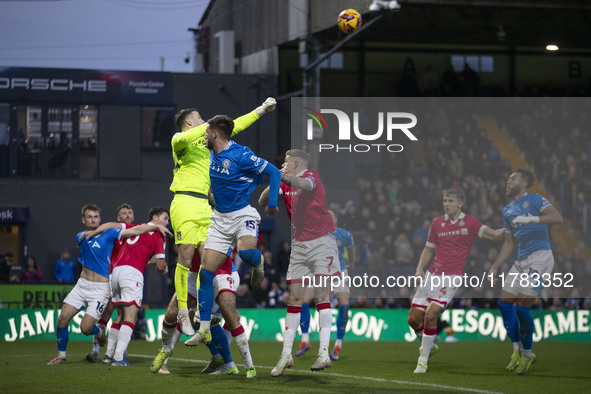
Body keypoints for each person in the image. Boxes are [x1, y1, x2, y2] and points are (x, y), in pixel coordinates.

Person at [183, 114, 281, 380]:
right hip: (219, 221)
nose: (203, 136)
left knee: (247, 254)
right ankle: (203, 328)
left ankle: (257, 262)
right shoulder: (210, 154)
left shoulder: (241, 154)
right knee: (205, 273)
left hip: (242, 215)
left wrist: (272, 202)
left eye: (206, 132)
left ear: (215, 133)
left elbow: (272, 171)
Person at [169, 98, 276, 336]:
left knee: (206, 260)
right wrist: (209, 125)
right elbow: (191, 136)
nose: (203, 121)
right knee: (185, 257)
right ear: (189, 121)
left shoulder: (209, 139)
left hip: (209, 207)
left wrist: (260, 110)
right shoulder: (180, 139)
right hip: (185, 200)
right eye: (199, 117)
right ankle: (183, 312)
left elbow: (233, 127)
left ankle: (205, 314)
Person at [47, 203, 171, 365]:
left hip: (103, 285)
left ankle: (104, 343)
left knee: (91, 325)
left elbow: (133, 231)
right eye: (90, 217)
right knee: (63, 318)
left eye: (96, 217)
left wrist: (154, 228)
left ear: (100, 218)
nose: (93, 220)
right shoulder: (81, 236)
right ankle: (63, 356)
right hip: (83, 285)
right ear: (83, 220)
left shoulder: (113, 235)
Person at [259, 149, 340, 376]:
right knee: (294, 298)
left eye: (285, 162)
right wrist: (276, 176)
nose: (283, 164)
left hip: (322, 242)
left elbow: (304, 186)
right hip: (299, 246)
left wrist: (280, 175)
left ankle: (323, 353)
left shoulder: (311, 176)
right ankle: (286, 355)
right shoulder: (285, 183)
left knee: (321, 295)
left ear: (296, 163)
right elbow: (263, 200)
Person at [407, 189, 503, 374]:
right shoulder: (436, 223)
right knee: (413, 320)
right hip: (432, 275)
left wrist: (511, 228)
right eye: (444, 200)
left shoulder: (470, 222)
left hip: (451, 278)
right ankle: (429, 344)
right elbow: (428, 249)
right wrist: (420, 268)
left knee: (431, 315)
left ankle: (422, 361)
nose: (446, 204)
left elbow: (493, 235)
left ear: (460, 203)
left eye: (450, 200)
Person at [488, 168, 563, 375]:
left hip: (540, 259)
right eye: (507, 179)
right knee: (504, 304)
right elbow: (509, 243)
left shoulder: (536, 200)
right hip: (520, 261)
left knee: (522, 309)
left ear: (524, 181)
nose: (507, 182)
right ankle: (516, 350)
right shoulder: (507, 211)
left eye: (512, 178)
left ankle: (528, 356)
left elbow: (557, 218)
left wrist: (532, 219)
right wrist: (495, 265)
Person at [97, 207, 170, 366]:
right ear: (156, 219)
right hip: (132, 274)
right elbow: (159, 266)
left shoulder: (136, 227)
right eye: (165, 218)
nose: (167, 222)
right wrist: (163, 268)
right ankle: (118, 357)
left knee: (120, 315)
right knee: (131, 317)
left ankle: (108, 355)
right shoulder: (159, 235)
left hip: (116, 272)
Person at [296, 209, 355, 361]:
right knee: (304, 302)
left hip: (339, 273)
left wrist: (351, 264)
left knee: (344, 305)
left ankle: (338, 345)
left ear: (335, 221)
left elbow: (351, 249)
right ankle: (305, 340)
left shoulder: (345, 234)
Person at [86, 203, 136, 363]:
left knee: (123, 314)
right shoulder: (113, 235)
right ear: (118, 218)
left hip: (129, 279)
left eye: (130, 212)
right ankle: (95, 351)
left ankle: (119, 351)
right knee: (106, 313)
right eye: (124, 213)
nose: (128, 215)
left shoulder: (137, 235)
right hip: (109, 277)